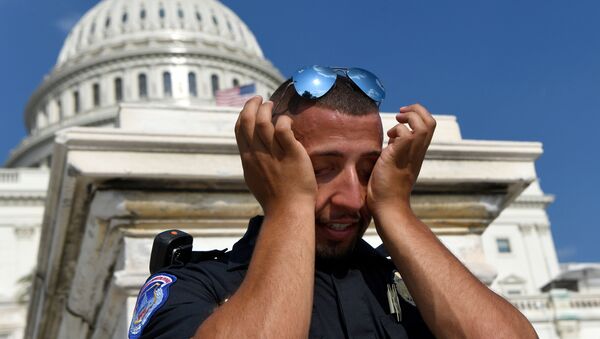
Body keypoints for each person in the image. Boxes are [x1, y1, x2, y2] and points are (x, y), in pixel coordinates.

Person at [129, 66, 538, 338]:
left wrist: (395, 209)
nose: (352, 198)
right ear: (270, 164)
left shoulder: (408, 284)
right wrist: (288, 204)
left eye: (367, 169)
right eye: (322, 168)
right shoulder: (199, 286)